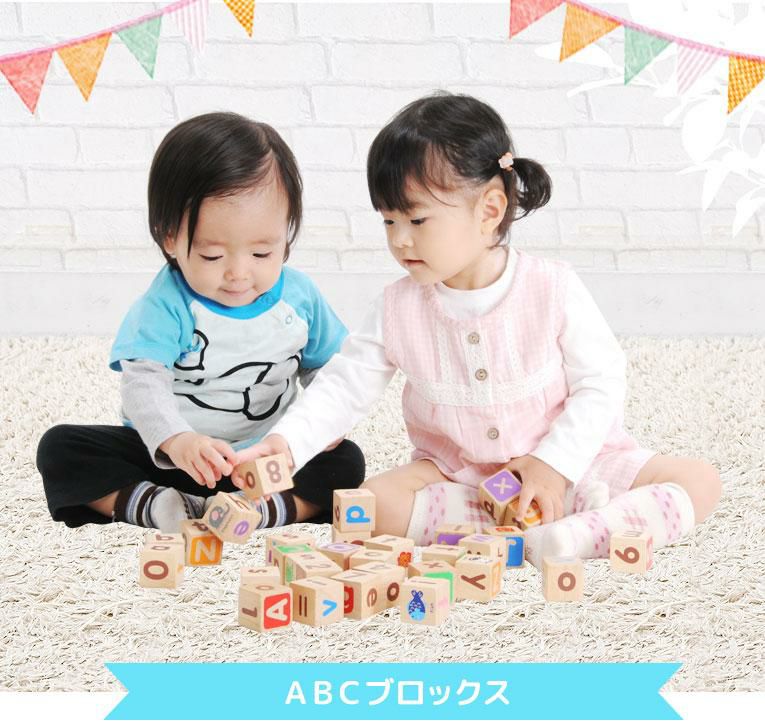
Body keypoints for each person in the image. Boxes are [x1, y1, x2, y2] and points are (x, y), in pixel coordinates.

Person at [229, 91, 722, 568]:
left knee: (700, 481)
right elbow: (344, 386)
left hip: (575, 464)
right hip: (460, 477)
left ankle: (578, 532)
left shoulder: (552, 287)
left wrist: (553, 465)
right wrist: (287, 443)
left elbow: (601, 383)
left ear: (488, 210)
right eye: (389, 222)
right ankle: (524, 531)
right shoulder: (398, 306)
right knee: (369, 504)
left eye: (417, 220)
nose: (400, 241)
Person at [36, 112, 365, 533]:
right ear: (169, 236)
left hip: (263, 460)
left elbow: (331, 371)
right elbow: (143, 385)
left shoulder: (300, 298)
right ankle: (155, 504)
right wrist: (178, 441)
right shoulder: (167, 304)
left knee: (346, 462)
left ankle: (260, 512)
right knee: (61, 448)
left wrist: (323, 424)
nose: (239, 273)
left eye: (262, 253)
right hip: (173, 460)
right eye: (213, 255)